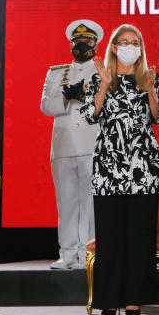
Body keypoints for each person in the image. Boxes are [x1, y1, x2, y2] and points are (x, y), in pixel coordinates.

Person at [81, 24, 159, 315]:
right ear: (114, 47)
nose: (130, 47)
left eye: (135, 42)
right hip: (108, 167)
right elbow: (90, 116)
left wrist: (152, 91)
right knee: (110, 236)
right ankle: (109, 297)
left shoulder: (150, 79)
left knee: (140, 237)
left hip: (142, 166)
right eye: (124, 42)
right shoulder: (98, 78)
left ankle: (134, 298)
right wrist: (104, 84)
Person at [40, 19, 105, 270]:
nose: (82, 45)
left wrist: (86, 95)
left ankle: (88, 252)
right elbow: (46, 106)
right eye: (77, 41)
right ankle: (67, 253)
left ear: (95, 44)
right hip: (64, 145)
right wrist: (66, 96)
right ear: (71, 44)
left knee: (90, 203)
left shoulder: (103, 71)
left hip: (93, 144)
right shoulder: (57, 72)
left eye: (87, 41)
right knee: (66, 201)